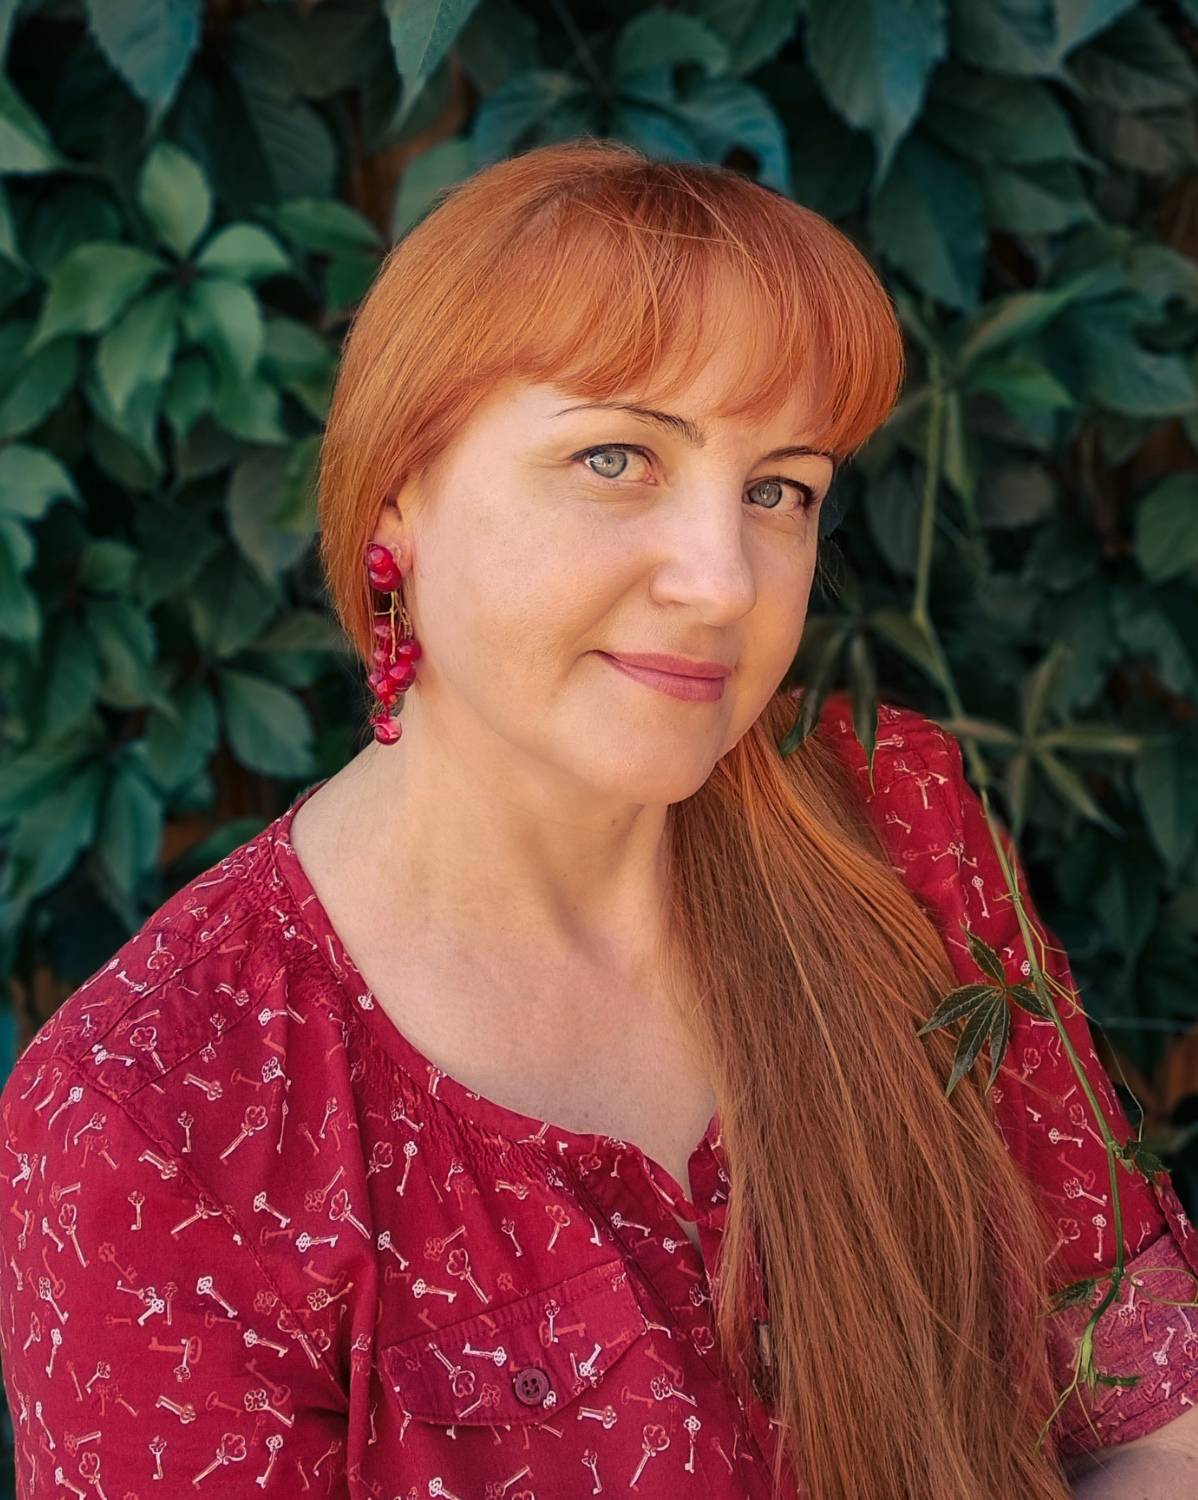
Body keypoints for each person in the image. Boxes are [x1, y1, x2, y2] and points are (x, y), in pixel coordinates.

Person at [2, 139, 1196, 1500]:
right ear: (397, 497)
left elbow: (1145, 1395)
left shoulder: (891, 824)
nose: (721, 581)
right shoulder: (160, 1110)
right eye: (617, 456)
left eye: (778, 488)